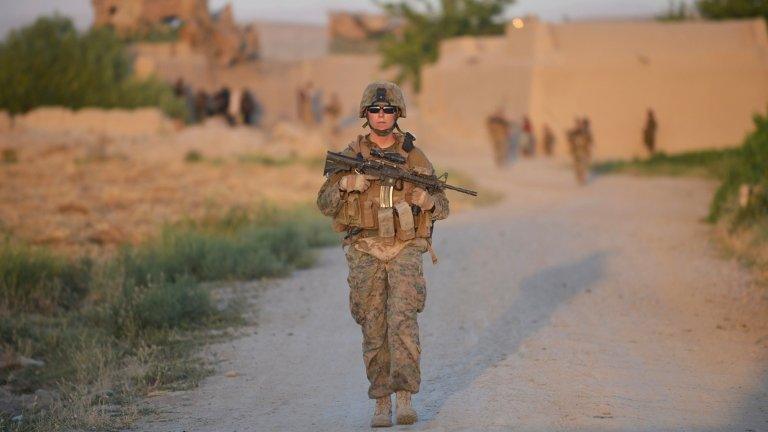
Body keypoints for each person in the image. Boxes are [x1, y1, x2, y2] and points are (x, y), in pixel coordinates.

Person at [316, 81, 449, 427]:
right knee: (373, 328)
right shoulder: (350, 155)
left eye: (387, 109)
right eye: (374, 110)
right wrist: (345, 185)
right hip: (364, 250)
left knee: (403, 324)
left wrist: (429, 202)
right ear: (365, 114)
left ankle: (404, 398)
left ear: (397, 113)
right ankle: (381, 402)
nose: (381, 115)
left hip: (404, 249)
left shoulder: (414, 157)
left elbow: (443, 205)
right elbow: (324, 203)